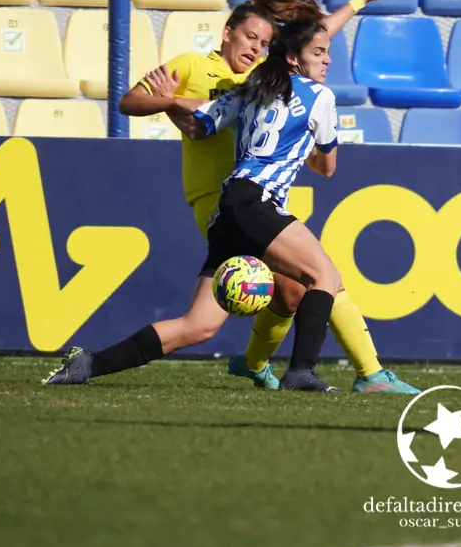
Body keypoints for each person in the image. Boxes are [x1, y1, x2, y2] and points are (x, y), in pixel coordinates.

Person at [116, 0, 419, 395]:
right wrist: (170, 99)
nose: (256, 48)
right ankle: (366, 373)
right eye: (251, 39)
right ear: (228, 33)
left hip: (253, 196)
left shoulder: (264, 76)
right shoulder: (192, 67)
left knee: (292, 296)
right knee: (325, 279)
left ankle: (255, 364)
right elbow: (130, 101)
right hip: (217, 197)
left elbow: (314, 40)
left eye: (263, 43)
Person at [45, 20, 345, 391]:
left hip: (229, 208)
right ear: (293, 58)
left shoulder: (249, 89)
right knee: (325, 277)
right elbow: (327, 167)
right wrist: (307, 146)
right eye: (319, 52)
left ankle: (88, 365)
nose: (328, 60)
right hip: (257, 202)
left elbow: (197, 127)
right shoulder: (321, 96)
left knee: (197, 325)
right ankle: (301, 372)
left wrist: (170, 99)